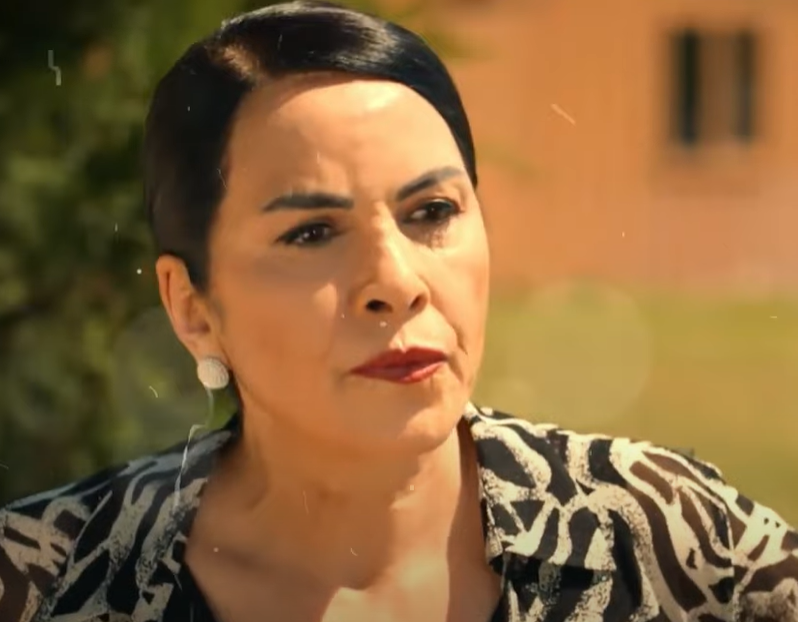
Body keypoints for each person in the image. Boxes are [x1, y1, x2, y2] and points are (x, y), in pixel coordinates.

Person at [1, 2, 797, 620]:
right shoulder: (47, 580)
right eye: (311, 233)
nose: (396, 280)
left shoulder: (668, 543)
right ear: (193, 308)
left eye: (432, 212)